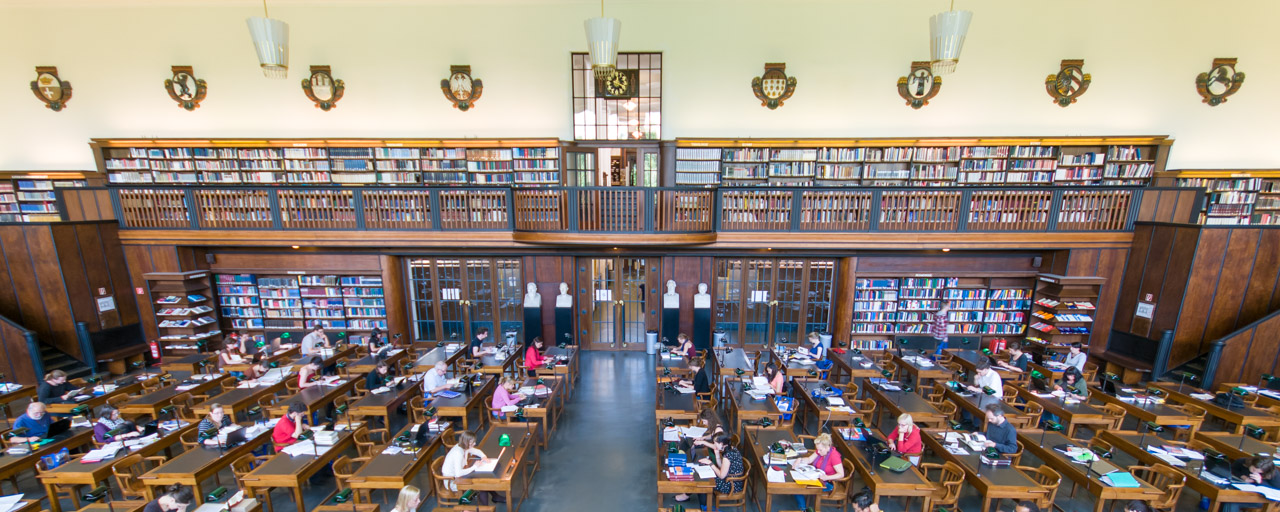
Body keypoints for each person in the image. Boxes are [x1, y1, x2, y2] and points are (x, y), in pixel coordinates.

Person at [441, 431, 503, 504]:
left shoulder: (464, 446)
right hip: (452, 481)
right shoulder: (458, 453)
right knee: (481, 486)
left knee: (483, 480)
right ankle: (486, 509)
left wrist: (484, 457)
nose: (475, 444)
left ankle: (495, 497)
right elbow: (458, 473)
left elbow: (476, 451)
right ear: (467, 442)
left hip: (459, 476)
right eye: (473, 442)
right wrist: (474, 467)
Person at [694, 432, 744, 510]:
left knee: (703, 482)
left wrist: (710, 463)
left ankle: (704, 507)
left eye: (715, 443)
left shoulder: (728, 455)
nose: (714, 444)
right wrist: (717, 455)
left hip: (731, 484)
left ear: (721, 443)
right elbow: (722, 467)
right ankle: (704, 505)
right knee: (703, 475)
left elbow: (721, 475)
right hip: (730, 478)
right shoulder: (731, 448)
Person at [796, 433, 844, 510]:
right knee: (797, 484)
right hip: (817, 477)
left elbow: (841, 474)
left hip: (828, 483)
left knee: (799, 488)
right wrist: (799, 460)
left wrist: (827, 477)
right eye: (818, 449)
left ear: (827, 447)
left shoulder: (834, 456)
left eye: (820, 450)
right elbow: (809, 460)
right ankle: (803, 508)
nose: (818, 451)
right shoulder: (820, 451)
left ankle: (803, 509)